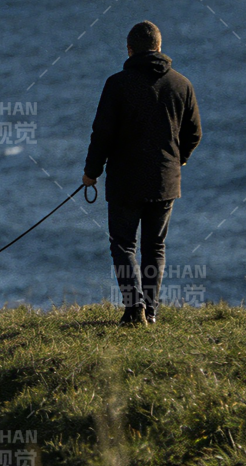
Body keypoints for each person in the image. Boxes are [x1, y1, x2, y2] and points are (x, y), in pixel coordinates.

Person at [82, 21, 202, 326]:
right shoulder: (182, 84)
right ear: (159, 47)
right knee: (154, 247)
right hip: (165, 180)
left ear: (130, 49)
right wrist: (179, 160)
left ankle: (133, 306)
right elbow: (194, 133)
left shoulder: (117, 84)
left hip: (125, 180)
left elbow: (102, 134)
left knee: (123, 245)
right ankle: (151, 311)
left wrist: (91, 173)